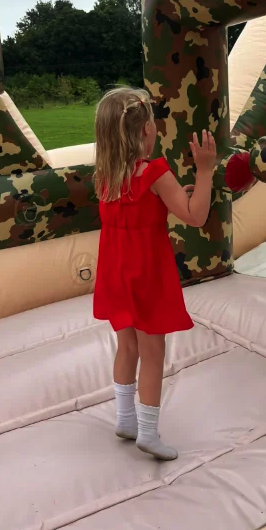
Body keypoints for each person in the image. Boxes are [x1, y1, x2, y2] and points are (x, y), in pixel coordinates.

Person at [93, 87, 217, 461]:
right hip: (146, 273)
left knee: (126, 345)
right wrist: (207, 170)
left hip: (114, 271)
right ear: (147, 129)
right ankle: (147, 432)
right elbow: (196, 216)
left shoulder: (105, 175)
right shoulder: (156, 172)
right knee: (152, 350)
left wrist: (176, 194)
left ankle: (125, 419)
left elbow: (140, 207)